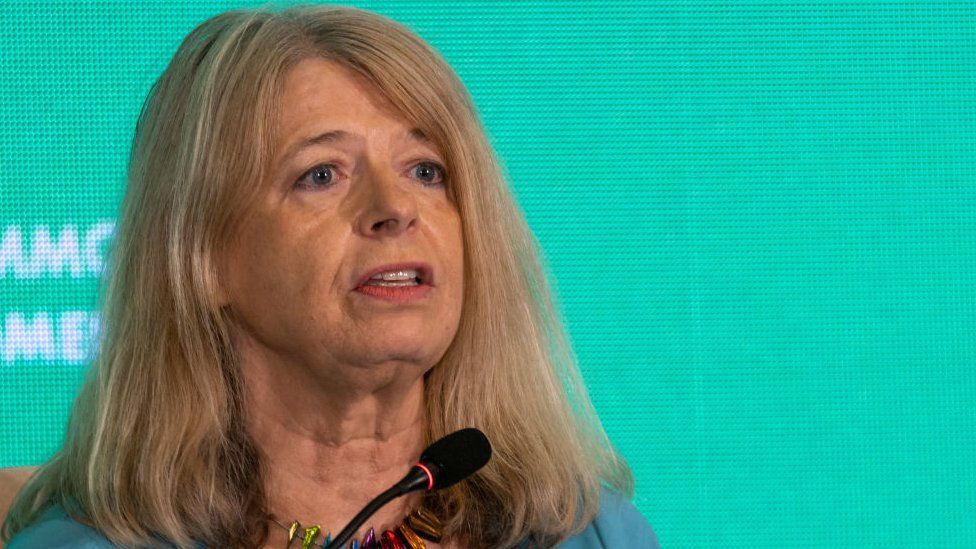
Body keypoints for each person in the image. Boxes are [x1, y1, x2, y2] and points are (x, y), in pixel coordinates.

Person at [1, 5, 660, 548]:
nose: (395, 208)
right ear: (202, 257)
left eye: (426, 170)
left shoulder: (590, 532)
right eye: (321, 174)